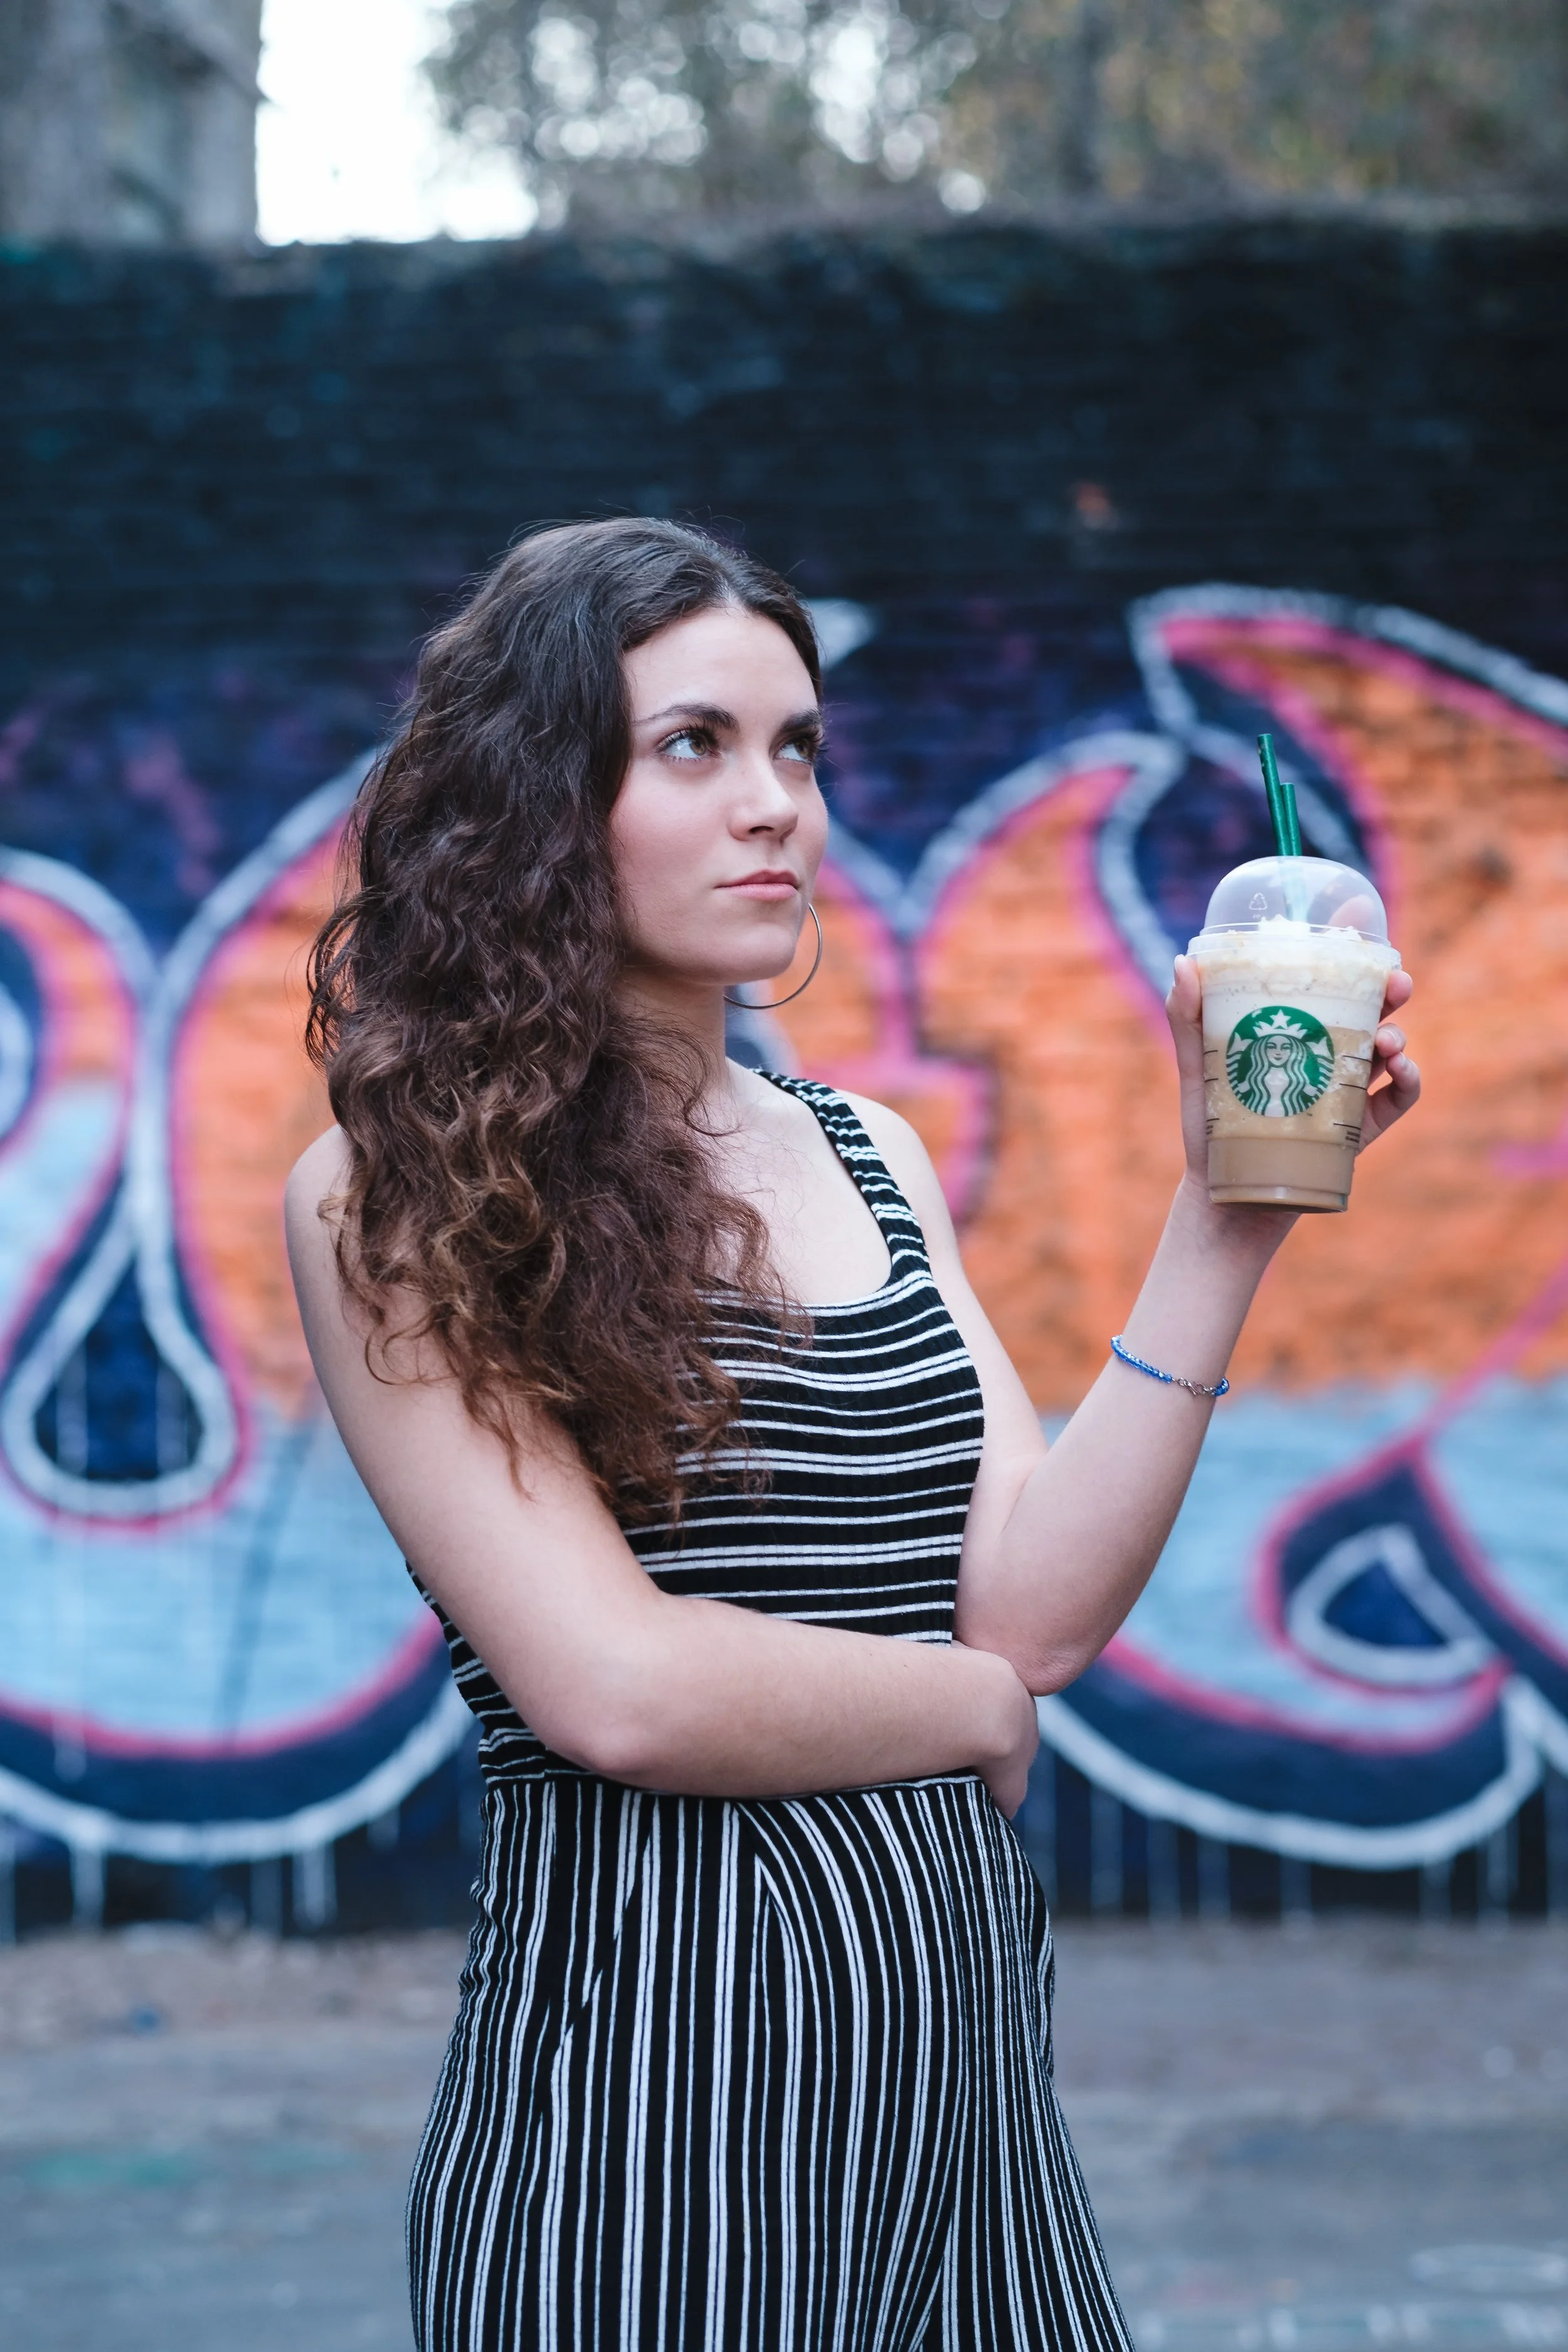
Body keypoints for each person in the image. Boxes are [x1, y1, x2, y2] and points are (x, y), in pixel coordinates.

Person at [285, 518, 1420, 2352]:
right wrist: (961, 1711)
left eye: (796, 746)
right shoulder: (394, 1194)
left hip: (954, 2081)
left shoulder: (866, 1154)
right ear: (536, 796)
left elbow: (1031, 1610)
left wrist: (1228, 1216)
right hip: (647, 2106)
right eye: (693, 745)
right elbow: (616, 1686)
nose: (774, 806)